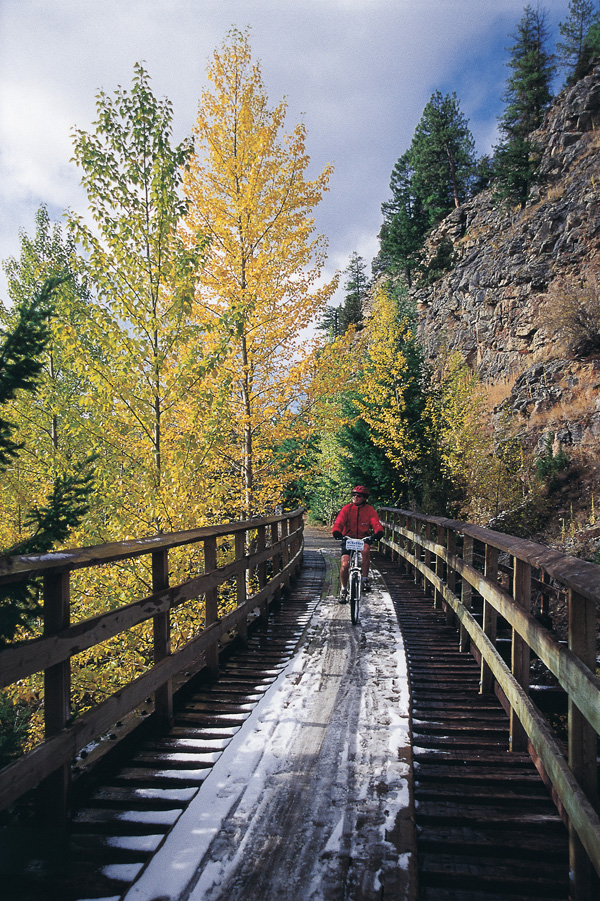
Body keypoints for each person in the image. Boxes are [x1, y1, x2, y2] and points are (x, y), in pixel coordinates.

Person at [332, 486, 384, 603]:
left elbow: (375, 523)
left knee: (365, 551)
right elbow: (339, 521)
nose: (355, 497)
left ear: (364, 498)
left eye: (358, 496)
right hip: (348, 538)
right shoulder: (347, 509)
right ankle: (343, 589)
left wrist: (378, 532)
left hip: (363, 538)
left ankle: (365, 579)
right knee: (345, 564)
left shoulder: (369, 510)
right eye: (354, 495)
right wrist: (336, 531)